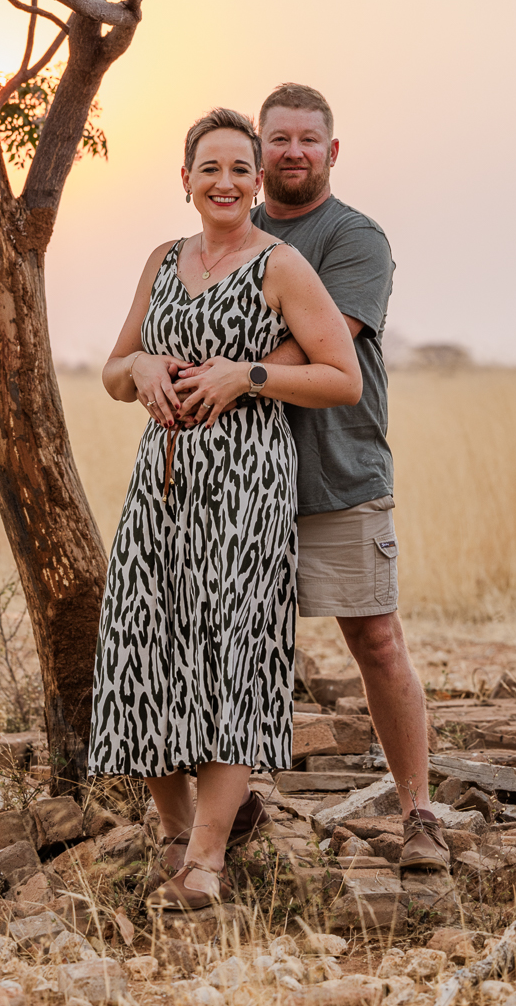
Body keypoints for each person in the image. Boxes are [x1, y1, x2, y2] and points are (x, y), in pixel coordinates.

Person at [90, 106, 362, 912]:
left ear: (254, 182)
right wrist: (137, 364)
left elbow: (340, 375)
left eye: (239, 169)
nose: (225, 182)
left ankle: (207, 860)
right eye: (209, 168)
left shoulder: (279, 265)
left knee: (232, 658)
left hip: (246, 487)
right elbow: (108, 372)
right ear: (185, 180)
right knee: (145, 649)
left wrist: (245, 376)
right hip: (160, 487)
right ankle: (172, 838)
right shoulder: (162, 260)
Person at [251, 83, 449, 874]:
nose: (292, 151)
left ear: (331, 153)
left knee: (374, 638)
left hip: (339, 469)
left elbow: (324, 343)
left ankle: (420, 813)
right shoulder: (230, 232)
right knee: (245, 646)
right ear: (257, 149)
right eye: (278, 139)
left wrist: (237, 372)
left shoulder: (355, 237)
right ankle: (237, 811)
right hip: (242, 478)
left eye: (307, 139)